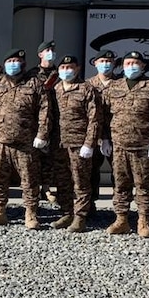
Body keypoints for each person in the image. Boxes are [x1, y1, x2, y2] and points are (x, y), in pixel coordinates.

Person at [0, 48, 50, 228]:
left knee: (30, 180)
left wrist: (42, 134)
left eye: (16, 61)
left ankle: (31, 214)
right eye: (9, 62)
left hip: (26, 143)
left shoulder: (34, 84)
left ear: (23, 64)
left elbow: (45, 111)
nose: (13, 65)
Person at [100, 51, 149, 238]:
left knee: (143, 185)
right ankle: (121, 219)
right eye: (128, 63)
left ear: (143, 66)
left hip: (143, 146)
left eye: (136, 63)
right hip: (118, 145)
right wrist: (104, 138)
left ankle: (143, 220)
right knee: (120, 184)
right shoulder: (113, 86)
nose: (132, 66)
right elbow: (104, 116)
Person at [52, 55, 102, 233]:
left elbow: (94, 119)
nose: (67, 71)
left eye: (70, 67)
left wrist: (89, 144)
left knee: (81, 181)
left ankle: (80, 216)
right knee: (62, 180)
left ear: (78, 68)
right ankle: (67, 212)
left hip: (79, 143)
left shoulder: (86, 89)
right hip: (59, 144)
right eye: (63, 68)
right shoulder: (55, 89)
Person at [27, 39, 60, 202]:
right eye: (47, 50)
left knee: (50, 156)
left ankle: (46, 188)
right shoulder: (32, 74)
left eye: (52, 50)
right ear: (40, 54)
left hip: (56, 119)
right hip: (35, 120)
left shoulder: (61, 72)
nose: (51, 53)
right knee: (34, 156)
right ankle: (33, 187)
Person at [86, 49, 118, 210]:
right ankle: (90, 204)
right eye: (102, 61)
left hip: (116, 136)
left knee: (119, 173)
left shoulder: (121, 84)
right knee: (90, 171)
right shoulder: (87, 85)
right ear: (95, 63)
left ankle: (120, 209)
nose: (106, 64)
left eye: (109, 61)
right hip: (94, 136)